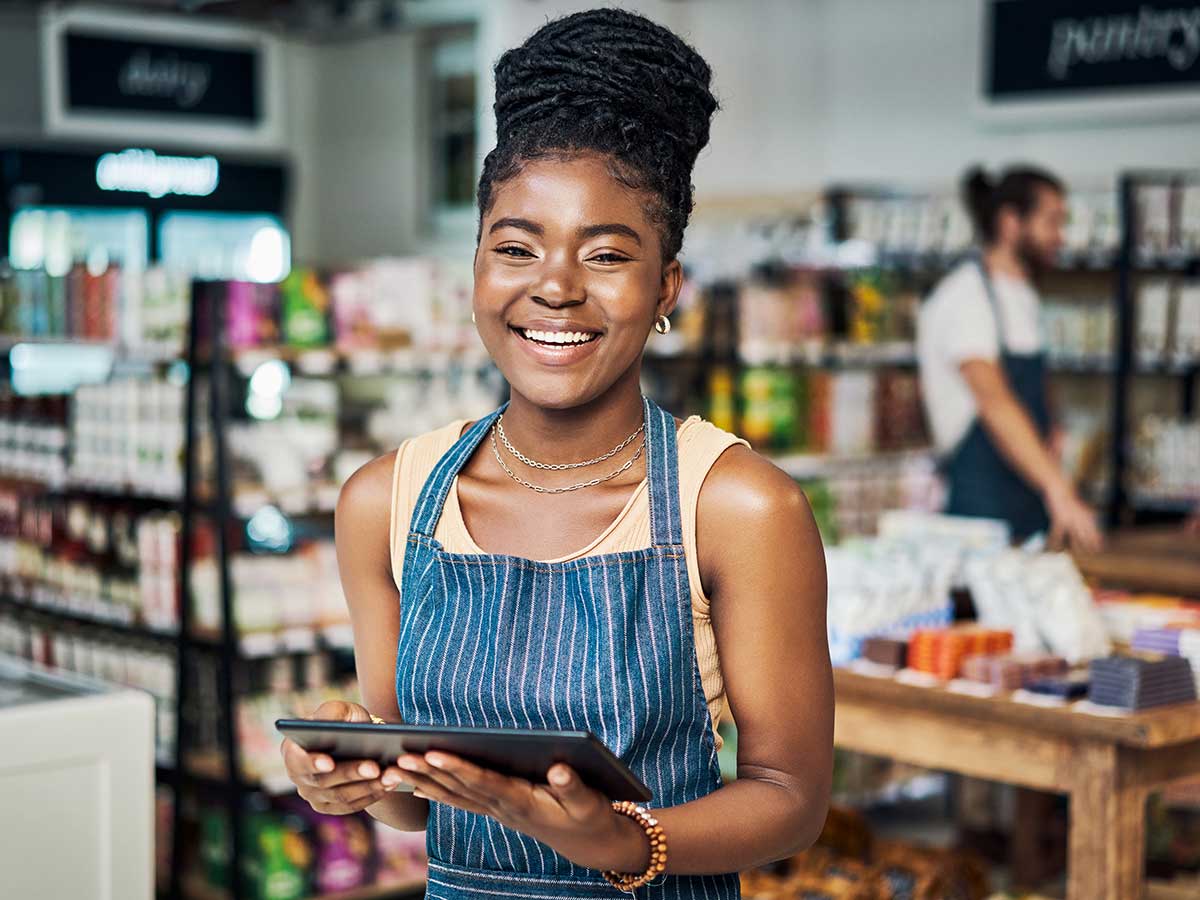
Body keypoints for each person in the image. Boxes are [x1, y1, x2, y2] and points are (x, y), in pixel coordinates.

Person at [280, 9, 832, 898]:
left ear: (666, 287)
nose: (555, 287)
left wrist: (619, 840)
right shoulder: (385, 501)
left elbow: (791, 798)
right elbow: (418, 799)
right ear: (476, 266)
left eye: (607, 253)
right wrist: (349, 782)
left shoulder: (735, 506)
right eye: (515, 248)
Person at [917, 165, 1103, 551]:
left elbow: (1035, 393)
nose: (1060, 236)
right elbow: (995, 402)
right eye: (1052, 222)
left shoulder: (1023, 297)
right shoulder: (965, 298)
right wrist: (1059, 490)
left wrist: (1056, 442)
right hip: (982, 510)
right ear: (1010, 222)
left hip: (1029, 500)